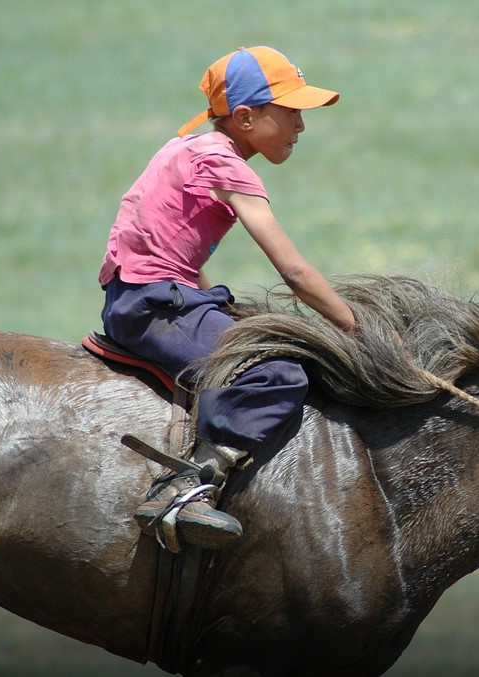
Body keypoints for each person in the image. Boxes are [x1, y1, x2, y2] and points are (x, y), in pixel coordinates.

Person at [98, 46, 357, 551]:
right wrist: (356, 327)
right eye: (290, 113)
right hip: (151, 303)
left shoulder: (185, 148)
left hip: (148, 297)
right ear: (244, 117)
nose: (300, 126)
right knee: (276, 371)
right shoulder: (227, 165)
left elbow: (175, 246)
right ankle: (189, 488)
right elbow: (295, 272)